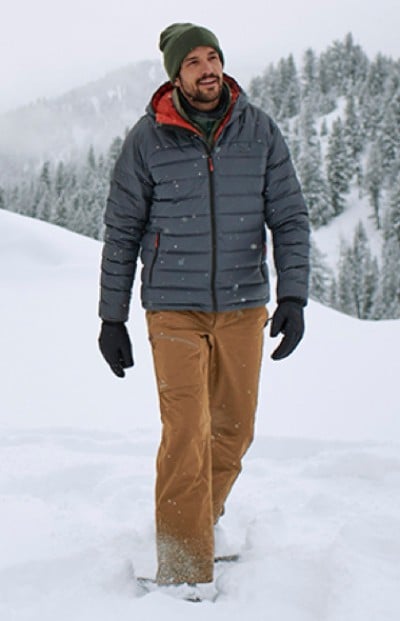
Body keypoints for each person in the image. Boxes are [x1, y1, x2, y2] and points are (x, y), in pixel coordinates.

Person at [98, 23, 310, 586]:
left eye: (212, 56)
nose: (206, 68)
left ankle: (196, 523)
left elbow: (289, 216)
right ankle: (184, 570)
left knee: (235, 431)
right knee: (186, 431)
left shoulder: (258, 131)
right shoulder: (148, 139)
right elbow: (122, 230)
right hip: (173, 306)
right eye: (192, 61)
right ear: (175, 74)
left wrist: (293, 294)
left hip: (243, 304)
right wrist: (111, 317)